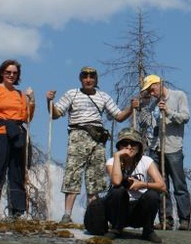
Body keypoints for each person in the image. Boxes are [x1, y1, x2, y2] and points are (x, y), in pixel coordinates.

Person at [46, 67, 138, 224]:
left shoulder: (103, 97)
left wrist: (131, 107)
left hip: (97, 138)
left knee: (94, 178)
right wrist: (49, 101)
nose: (88, 79)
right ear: (80, 79)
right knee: (73, 174)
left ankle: (93, 216)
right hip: (77, 135)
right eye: (85, 76)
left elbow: (119, 116)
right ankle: (67, 215)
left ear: (96, 79)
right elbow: (55, 114)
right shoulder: (72, 94)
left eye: (91, 77)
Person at [85, 128, 166, 243]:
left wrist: (142, 184)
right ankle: (116, 228)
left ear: (139, 147)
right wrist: (117, 156)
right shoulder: (112, 161)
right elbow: (116, 182)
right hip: (119, 209)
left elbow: (162, 186)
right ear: (119, 147)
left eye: (133, 143)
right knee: (118, 191)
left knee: (152, 195)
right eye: (124, 144)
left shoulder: (146, 161)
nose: (129, 147)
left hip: (138, 210)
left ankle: (148, 230)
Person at [0, 59, 36, 219]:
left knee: (17, 172)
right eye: (8, 72)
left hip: (17, 134)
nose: (11, 75)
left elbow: (27, 118)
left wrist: (31, 101)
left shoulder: (20, 94)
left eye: (14, 73)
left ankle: (17, 210)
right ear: (2, 73)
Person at [140, 75, 191, 230]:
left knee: (179, 184)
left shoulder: (178, 96)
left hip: (173, 147)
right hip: (156, 148)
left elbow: (185, 117)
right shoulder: (153, 104)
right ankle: (165, 219)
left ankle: (185, 219)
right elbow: (144, 123)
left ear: (158, 84)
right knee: (160, 185)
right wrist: (143, 105)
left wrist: (168, 111)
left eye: (152, 88)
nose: (151, 92)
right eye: (148, 90)